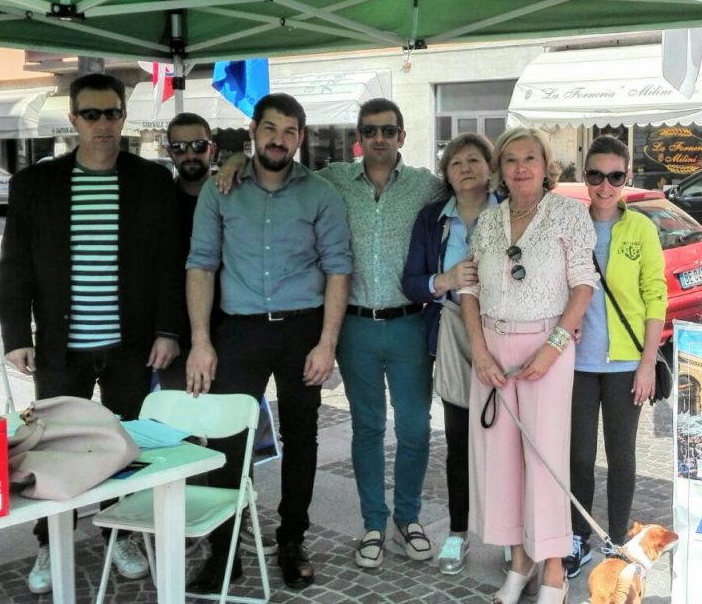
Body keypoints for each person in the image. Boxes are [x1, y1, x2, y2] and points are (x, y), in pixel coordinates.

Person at [217, 97, 444, 569]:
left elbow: (471, 184)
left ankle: (409, 517)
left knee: (416, 427)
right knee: (366, 427)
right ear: (360, 137)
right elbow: (277, 168)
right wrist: (237, 158)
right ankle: (374, 523)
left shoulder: (425, 186)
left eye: (388, 130)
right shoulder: (333, 180)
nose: (379, 138)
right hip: (355, 327)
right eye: (370, 130)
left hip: (407, 323)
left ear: (402, 136)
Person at [0, 71, 183, 594]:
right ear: (73, 119)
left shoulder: (151, 180)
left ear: (125, 117)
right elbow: (14, 266)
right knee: (52, 447)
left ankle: (119, 532)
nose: (104, 124)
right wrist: (16, 334)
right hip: (61, 347)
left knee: (120, 445)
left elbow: (171, 263)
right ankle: (50, 540)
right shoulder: (35, 184)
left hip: (131, 346)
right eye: (93, 114)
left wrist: (168, 329)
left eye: (113, 113)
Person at [185, 93, 352, 592]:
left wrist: (327, 343)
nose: (280, 140)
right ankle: (226, 546)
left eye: (290, 132)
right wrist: (200, 340)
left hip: (303, 328)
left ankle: (293, 540)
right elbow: (201, 263)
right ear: (253, 131)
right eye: (271, 129)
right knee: (227, 438)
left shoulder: (320, 193)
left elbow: (338, 267)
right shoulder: (222, 190)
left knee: (302, 437)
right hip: (239, 329)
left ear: (300, 138)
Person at [459, 127, 597, 604]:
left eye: (530, 158)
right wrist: (479, 351)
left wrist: (554, 345)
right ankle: (520, 561)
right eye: (511, 159)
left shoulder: (568, 214)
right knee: (500, 462)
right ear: (500, 168)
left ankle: (554, 571)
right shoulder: (489, 221)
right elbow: (470, 288)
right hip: (492, 349)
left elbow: (583, 285)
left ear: (546, 165)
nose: (521, 167)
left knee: (545, 460)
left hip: (547, 346)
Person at [565, 135, 667, 579]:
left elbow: (654, 296)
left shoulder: (641, 228)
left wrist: (648, 362)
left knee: (622, 455)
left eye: (615, 176)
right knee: (579, 456)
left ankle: (618, 537)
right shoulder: (570, 223)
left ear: (627, 178)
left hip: (626, 363)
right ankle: (577, 537)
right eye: (595, 175)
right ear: (584, 177)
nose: (604, 186)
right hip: (578, 363)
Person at [401, 133, 497, 575]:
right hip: (454, 334)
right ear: (446, 174)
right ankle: (458, 533)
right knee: (459, 442)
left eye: (473, 159)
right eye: (455, 162)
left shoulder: (510, 210)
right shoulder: (432, 220)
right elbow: (412, 282)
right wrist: (447, 278)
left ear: (489, 167)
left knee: (505, 443)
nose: (465, 168)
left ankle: (511, 538)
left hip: (507, 336)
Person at [157, 112, 219, 393]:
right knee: (182, 425)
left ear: (212, 148)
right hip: (176, 335)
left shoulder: (235, 198)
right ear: (169, 151)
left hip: (232, 330)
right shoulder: (159, 205)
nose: (190, 154)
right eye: (180, 148)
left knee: (229, 426)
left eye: (198, 145)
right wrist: (165, 332)